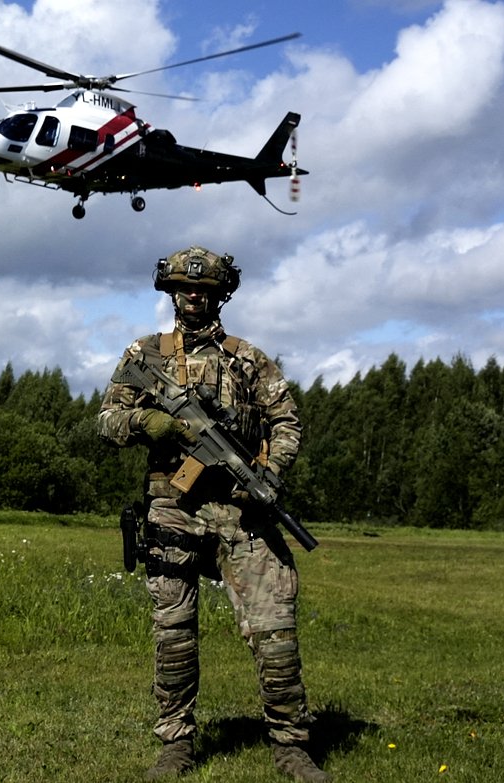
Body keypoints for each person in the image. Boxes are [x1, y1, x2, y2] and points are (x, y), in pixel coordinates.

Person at [97, 246, 330, 782]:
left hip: (240, 512)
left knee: (275, 628)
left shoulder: (248, 359)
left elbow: (286, 422)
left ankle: (291, 744)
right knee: (173, 631)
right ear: (171, 293)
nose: (193, 297)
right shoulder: (145, 354)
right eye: (185, 288)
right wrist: (146, 423)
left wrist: (269, 472)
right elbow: (107, 420)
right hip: (173, 509)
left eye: (203, 289)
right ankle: (176, 743)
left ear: (220, 295)